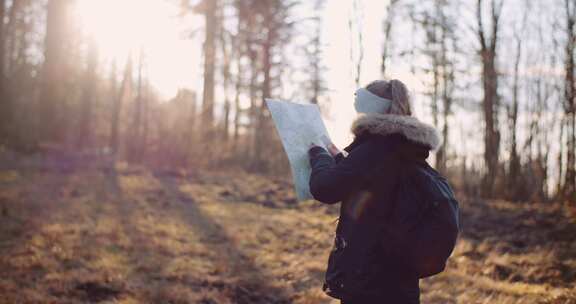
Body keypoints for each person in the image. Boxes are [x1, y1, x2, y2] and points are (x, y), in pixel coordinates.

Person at [308, 79, 441, 304]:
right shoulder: (406, 148)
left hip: (369, 279)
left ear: (371, 106)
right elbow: (372, 182)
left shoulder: (375, 148)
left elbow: (325, 189)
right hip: (400, 280)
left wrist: (319, 156)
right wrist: (340, 159)